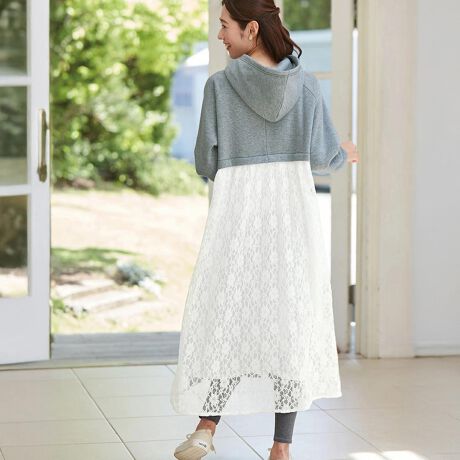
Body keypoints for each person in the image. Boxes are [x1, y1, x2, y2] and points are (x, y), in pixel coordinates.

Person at [171, 1, 359, 459]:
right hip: (292, 214)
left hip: (237, 212)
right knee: (288, 323)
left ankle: (206, 425)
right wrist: (345, 152)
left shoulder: (220, 86)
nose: (220, 35)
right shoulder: (307, 85)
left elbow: (206, 160)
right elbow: (324, 157)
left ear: (251, 29)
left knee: (229, 314)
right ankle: (280, 448)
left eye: (224, 26)